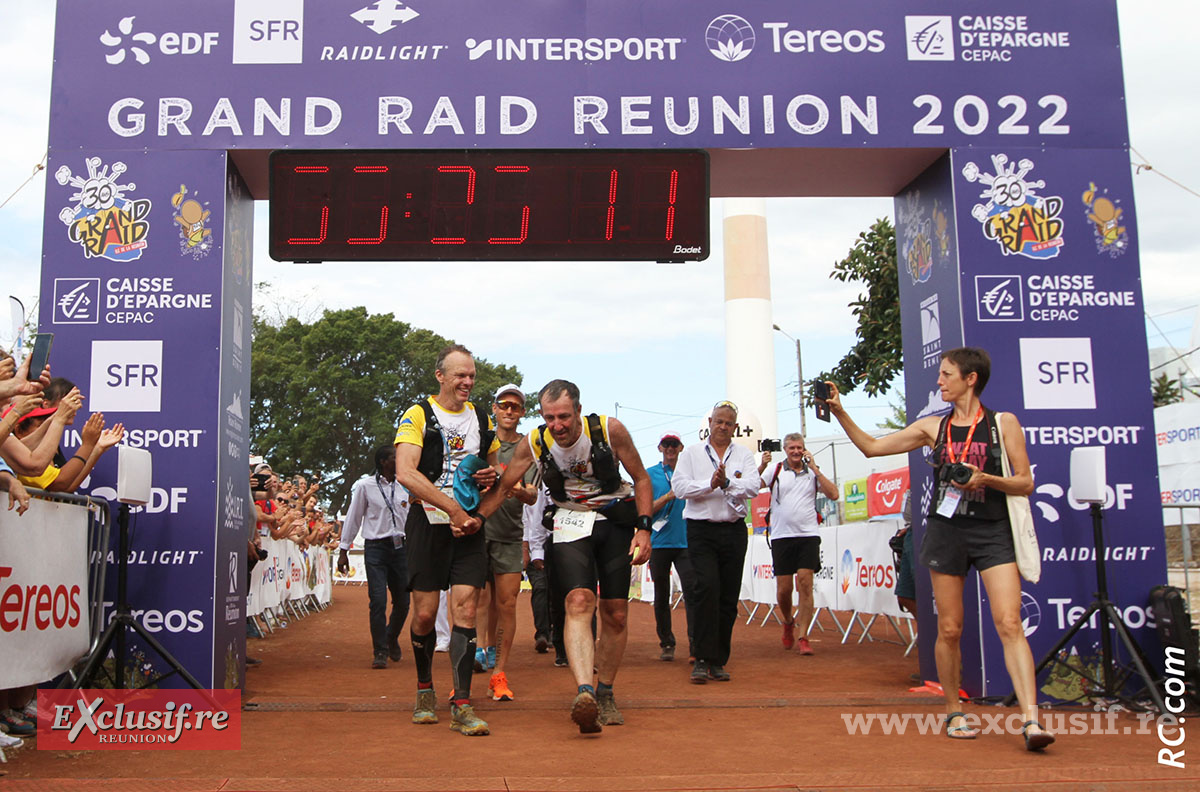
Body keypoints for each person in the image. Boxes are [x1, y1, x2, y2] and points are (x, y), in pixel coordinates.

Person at [819, 347, 1054, 751]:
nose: (940, 382)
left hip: (995, 532)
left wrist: (985, 480)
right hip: (947, 531)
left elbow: (1025, 482)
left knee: (1010, 622)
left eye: (947, 375)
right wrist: (840, 411)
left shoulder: (1003, 423)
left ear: (970, 378)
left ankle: (1031, 722)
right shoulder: (932, 428)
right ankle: (954, 711)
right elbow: (873, 448)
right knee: (949, 628)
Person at [478, 379, 653, 735]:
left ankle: (606, 692)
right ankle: (585, 693)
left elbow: (641, 478)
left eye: (563, 417)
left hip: (614, 520)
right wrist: (476, 518)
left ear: (578, 410)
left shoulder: (608, 430)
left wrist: (644, 528)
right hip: (569, 522)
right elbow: (506, 485)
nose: (557, 426)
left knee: (616, 613)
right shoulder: (536, 441)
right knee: (577, 600)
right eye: (549, 417)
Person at [394, 344, 498, 737]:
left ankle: (462, 703)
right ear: (440, 376)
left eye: (471, 375)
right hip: (428, 521)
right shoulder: (417, 415)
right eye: (460, 375)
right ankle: (424, 689)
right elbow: (407, 472)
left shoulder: (482, 418)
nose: (467, 382)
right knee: (423, 614)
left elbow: (492, 468)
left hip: (469, 527)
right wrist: (451, 510)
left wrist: (491, 477)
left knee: (467, 610)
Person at [671, 400, 761, 684]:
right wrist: (709, 485)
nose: (723, 426)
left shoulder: (744, 455)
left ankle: (718, 660)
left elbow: (754, 486)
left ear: (735, 427)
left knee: (728, 597)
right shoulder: (692, 454)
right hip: (701, 531)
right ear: (709, 422)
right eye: (718, 421)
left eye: (728, 423)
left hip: (734, 531)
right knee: (705, 589)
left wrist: (727, 484)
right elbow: (680, 487)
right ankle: (700, 658)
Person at [474, 384, 538, 701]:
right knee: (476, 601)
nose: (510, 411)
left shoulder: (529, 448)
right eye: (504, 405)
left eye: (515, 406)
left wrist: (523, 492)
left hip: (510, 535)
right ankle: (477, 655)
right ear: (495, 408)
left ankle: (499, 673)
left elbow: (533, 494)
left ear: (523, 411)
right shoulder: (480, 442)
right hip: (478, 531)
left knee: (508, 604)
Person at [761, 433, 838, 655]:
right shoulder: (775, 469)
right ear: (785, 450)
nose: (796, 451)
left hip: (808, 535)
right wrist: (762, 464)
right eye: (792, 448)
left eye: (799, 448)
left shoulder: (812, 472)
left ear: (804, 450)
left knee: (805, 582)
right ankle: (787, 621)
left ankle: (804, 636)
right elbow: (753, 487)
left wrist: (815, 468)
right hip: (781, 536)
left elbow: (833, 494)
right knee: (784, 589)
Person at [338, 446, 412, 669]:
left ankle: (391, 636)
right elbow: (354, 518)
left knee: (403, 602)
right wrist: (343, 550)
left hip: (402, 549)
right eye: (394, 457)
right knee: (378, 601)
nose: (399, 460)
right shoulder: (365, 486)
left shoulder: (407, 485)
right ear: (382, 462)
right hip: (376, 549)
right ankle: (380, 650)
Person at [646, 432, 697, 662]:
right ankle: (666, 642)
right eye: (666, 444)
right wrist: (668, 496)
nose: (670, 448)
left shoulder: (689, 473)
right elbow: (646, 509)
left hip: (686, 542)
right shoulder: (650, 475)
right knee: (661, 595)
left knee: (692, 593)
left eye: (674, 444)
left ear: (681, 447)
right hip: (659, 543)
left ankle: (696, 644)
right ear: (659, 448)